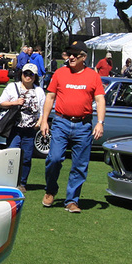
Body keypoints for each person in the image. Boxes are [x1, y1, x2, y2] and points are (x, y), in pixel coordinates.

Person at [38, 40, 105, 213]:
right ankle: (51, 190)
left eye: (75, 54)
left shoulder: (93, 76)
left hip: (83, 125)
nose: (71, 57)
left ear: (84, 57)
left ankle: (72, 200)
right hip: (61, 122)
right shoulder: (60, 73)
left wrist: (100, 122)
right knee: (54, 158)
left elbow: (100, 100)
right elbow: (50, 97)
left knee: (80, 165)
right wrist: (44, 120)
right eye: (69, 54)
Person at [0, 63, 45, 190]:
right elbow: (1, 102)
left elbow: (43, 109)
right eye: (26, 74)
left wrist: (39, 123)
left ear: (35, 77)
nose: (28, 77)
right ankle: (8, 181)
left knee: (27, 157)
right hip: (14, 128)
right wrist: (15, 103)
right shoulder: (12, 87)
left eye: (31, 75)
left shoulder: (39, 91)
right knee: (11, 154)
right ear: (21, 74)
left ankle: (22, 183)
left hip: (30, 130)